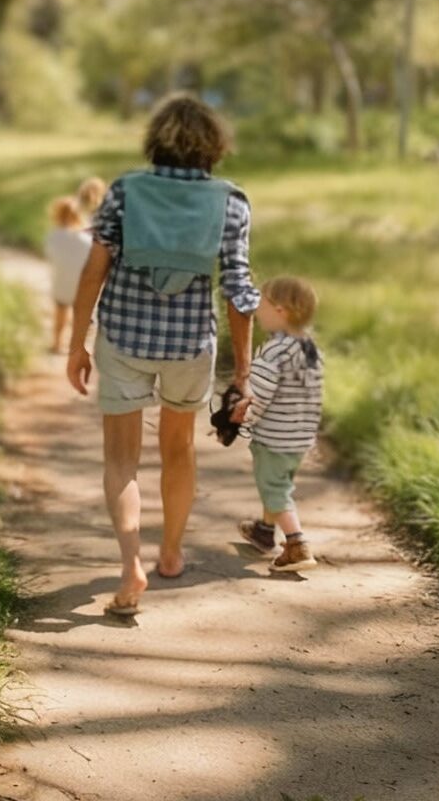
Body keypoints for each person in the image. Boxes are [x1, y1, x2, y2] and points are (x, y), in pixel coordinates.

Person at [67, 94, 259, 617]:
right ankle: (169, 553)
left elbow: (93, 272)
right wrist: (242, 374)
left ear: (156, 141)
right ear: (214, 146)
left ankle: (131, 563)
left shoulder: (126, 192)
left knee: (121, 459)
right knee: (179, 450)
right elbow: (239, 293)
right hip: (189, 346)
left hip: (124, 339)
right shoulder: (231, 201)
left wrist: (75, 343)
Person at [233, 275, 323, 571]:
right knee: (279, 484)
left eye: (262, 304)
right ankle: (263, 531)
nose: (257, 310)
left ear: (281, 310)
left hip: (274, 438)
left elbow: (257, 397)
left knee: (274, 488)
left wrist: (241, 422)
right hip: (299, 437)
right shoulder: (310, 349)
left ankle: (297, 545)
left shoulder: (274, 351)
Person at [45, 196, 91, 353]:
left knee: (60, 313)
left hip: (61, 281)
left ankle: (57, 343)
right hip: (80, 283)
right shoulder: (86, 239)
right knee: (80, 316)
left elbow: (50, 255)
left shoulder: (53, 236)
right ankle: (76, 345)